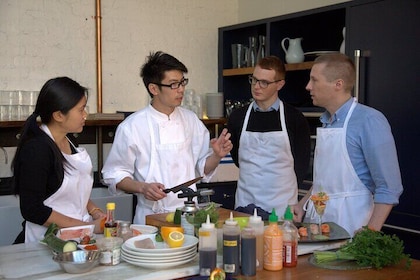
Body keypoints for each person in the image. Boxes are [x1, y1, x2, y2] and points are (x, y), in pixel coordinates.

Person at [102, 51, 232, 224]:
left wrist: (216, 156)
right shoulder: (132, 126)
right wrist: (143, 187)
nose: (181, 90)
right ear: (154, 88)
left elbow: (202, 169)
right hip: (150, 217)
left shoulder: (191, 120)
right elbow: (113, 175)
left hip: (189, 214)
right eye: (173, 84)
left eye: (182, 82)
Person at [295, 53, 403, 236]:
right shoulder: (327, 121)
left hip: (352, 225)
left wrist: (370, 233)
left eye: (314, 80)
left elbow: (389, 187)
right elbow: (326, 178)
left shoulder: (369, 120)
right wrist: (303, 203)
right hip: (317, 222)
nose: (308, 87)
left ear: (338, 84)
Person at [12, 77, 106, 244]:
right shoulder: (37, 149)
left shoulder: (69, 141)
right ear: (58, 115)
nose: (86, 115)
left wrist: (94, 211)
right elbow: (32, 209)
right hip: (46, 242)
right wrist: (87, 227)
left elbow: (74, 191)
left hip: (78, 237)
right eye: (81, 110)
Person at [227, 56, 311, 219]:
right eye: (254, 80)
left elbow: (301, 165)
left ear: (280, 84)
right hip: (245, 204)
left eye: (264, 82)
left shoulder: (294, 118)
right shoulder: (238, 117)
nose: (257, 87)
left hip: (282, 206)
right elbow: (238, 158)